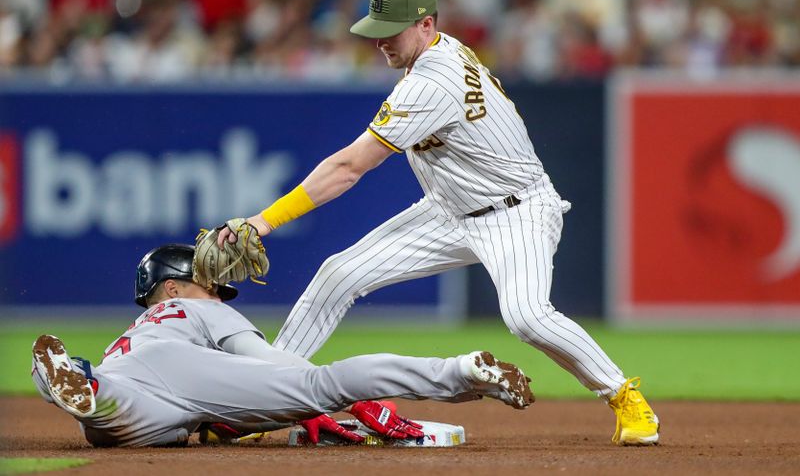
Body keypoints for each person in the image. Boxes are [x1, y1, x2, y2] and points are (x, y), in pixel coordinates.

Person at [218, 0, 659, 446]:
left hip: (516, 212)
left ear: (427, 24)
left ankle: (623, 395)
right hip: (450, 209)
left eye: (394, 30)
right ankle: (264, 399)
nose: (382, 41)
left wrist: (265, 221)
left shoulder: (430, 83)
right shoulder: (437, 49)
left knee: (526, 316)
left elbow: (348, 167)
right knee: (338, 274)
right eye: (378, 30)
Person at [31, 243, 533, 448]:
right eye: (207, 282)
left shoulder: (134, 332)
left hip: (133, 391)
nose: (217, 291)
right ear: (172, 288)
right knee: (322, 383)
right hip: (177, 371)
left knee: (107, 416)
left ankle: (77, 377)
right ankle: (460, 371)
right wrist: (333, 399)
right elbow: (266, 361)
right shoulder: (195, 308)